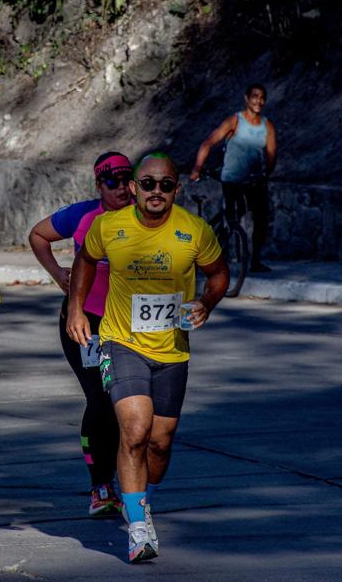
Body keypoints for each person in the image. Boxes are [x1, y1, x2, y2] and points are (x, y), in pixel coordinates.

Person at [66, 152, 229, 563]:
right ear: (135, 188)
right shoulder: (109, 225)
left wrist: (207, 302)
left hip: (172, 350)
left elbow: (219, 272)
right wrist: (75, 308)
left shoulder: (194, 231)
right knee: (135, 431)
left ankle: (142, 501)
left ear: (178, 188)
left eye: (167, 184)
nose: (157, 191)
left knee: (160, 443)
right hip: (122, 343)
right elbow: (85, 259)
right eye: (149, 184)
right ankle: (138, 528)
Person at [28, 152, 133, 515]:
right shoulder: (84, 215)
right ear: (98, 185)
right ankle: (100, 485)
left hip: (129, 325)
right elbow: (38, 234)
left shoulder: (146, 215)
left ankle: (129, 485)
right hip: (84, 322)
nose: (122, 187)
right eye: (112, 181)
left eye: (127, 179)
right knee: (101, 401)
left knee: (128, 405)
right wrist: (58, 274)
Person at [189, 83, 277, 272]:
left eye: (262, 98)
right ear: (246, 98)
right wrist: (197, 168)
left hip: (254, 181)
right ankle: (219, 256)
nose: (258, 101)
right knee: (232, 218)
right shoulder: (235, 121)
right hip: (232, 180)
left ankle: (254, 260)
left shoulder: (267, 126)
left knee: (261, 219)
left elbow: (271, 155)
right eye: (254, 96)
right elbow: (208, 142)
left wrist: (265, 175)